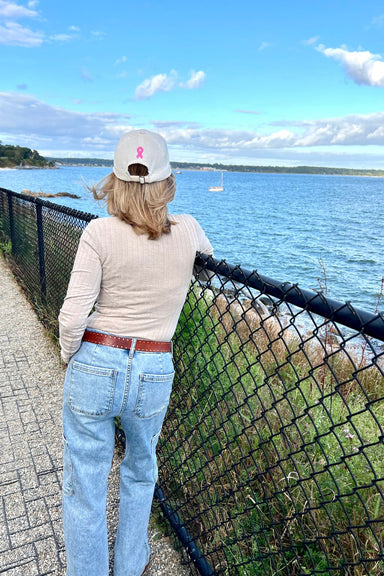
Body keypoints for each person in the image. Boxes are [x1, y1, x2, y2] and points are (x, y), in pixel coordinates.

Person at [59, 129, 213, 576]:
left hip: (96, 358)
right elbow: (205, 268)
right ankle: (130, 564)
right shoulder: (189, 230)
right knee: (141, 470)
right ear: (167, 182)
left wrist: (72, 359)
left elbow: (71, 318)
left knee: (84, 482)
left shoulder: (98, 233)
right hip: (153, 367)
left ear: (115, 181)